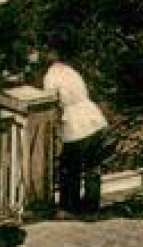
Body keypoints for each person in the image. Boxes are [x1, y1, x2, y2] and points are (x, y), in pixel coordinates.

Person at [41, 41, 109, 217]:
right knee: (93, 167)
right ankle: (92, 208)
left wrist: (55, 130)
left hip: (75, 124)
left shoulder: (51, 76)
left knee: (69, 167)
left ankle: (69, 208)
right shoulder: (71, 71)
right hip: (94, 118)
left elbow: (51, 103)